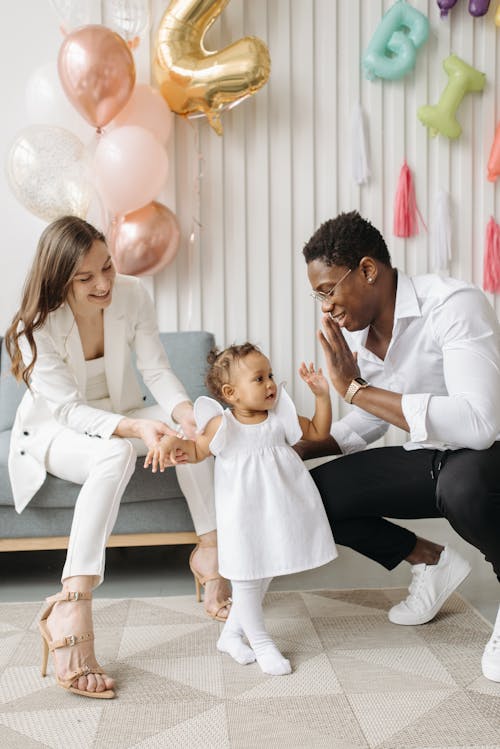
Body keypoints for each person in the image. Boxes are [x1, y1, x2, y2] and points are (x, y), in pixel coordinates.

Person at [5, 216, 231, 699]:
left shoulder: (131, 294)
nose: (105, 283)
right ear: (58, 279)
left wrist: (185, 416)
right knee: (114, 456)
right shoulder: (34, 327)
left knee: (186, 437)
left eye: (107, 267)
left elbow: (156, 368)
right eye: (86, 278)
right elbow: (66, 409)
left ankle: (210, 552)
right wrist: (134, 428)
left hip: (124, 410)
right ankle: (72, 600)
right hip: (57, 429)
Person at [299, 210, 500, 682]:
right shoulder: (364, 336)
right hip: (432, 456)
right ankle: (430, 561)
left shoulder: (453, 303)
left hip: (489, 455)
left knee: (463, 488)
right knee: (310, 495)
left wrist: (354, 389)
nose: (325, 307)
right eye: (318, 296)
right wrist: (301, 451)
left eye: (328, 290)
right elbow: (373, 417)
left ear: (367, 270)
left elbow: (480, 425)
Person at [145, 343, 338, 675]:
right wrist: (170, 443)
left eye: (271, 376)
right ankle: (260, 641)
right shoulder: (223, 425)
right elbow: (194, 451)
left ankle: (231, 635)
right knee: (247, 577)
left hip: (280, 509)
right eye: (259, 378)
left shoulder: (280, 417)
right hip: (243, 515)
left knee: (266, 569)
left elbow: (320, 432)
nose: (270, 384)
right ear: (231, 393)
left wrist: (322, 396)